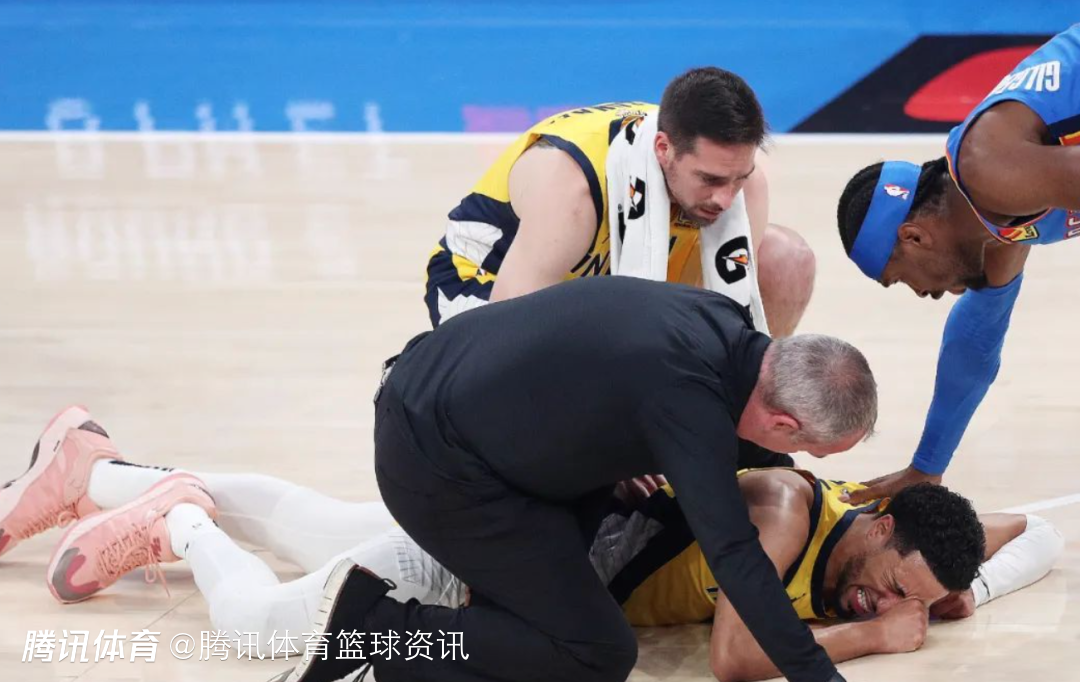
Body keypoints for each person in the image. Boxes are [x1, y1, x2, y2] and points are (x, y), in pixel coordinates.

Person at [2, 410, 1060, 681]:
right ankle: (179, 517)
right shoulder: (787, 509)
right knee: (254, 628)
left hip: (525, 533)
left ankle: (91, 462)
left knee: (313, 523)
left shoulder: (898, 548)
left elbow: (1036, 530)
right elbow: (742, 661)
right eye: (885, 586)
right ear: (877, 525)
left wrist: (964, 587)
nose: (881, 605)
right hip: (503, 562)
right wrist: (877, 640)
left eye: (896, 602)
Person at [274, 276, 875, 682]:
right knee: (598, 652)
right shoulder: (690, 406)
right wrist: (818, 676)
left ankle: (471, 620)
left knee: (542, 624)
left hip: (449, 397)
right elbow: (735, 555)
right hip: (436, 462)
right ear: (783, 421)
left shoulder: (721, 321)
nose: (797, 459)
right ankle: (372, 629)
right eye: (806, 448)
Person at [835, 24, 1080, 504]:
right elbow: (976, 342)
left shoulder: (992, 170)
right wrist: (927, 467)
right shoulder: (996, 220)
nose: (924, 294)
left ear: (914, 237)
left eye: (902, 279)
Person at [426, 67, 816, 338]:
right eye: (709, 180)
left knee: (786, 259)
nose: (725, 199)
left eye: (739, 177)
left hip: (605, 281)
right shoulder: (573, 189)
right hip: (489, 284)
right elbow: (505, 335)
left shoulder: (743, 187)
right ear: (664, 149)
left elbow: (712, 311)